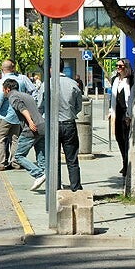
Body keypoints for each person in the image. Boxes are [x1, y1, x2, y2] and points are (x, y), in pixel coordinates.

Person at [4, 78, 46, 190]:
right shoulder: (26, 95)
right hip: (42, 125)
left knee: (18, 156)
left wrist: (30, 121)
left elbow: (22, 108)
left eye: (4, 90)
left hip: (31, 128)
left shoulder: (13, 96)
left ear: (7, 89)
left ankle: (38, 174)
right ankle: (51, 179)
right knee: (41, 156)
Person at [0, 59, 33, 172]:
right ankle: (16, 162)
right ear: (13, 68)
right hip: (18, 115)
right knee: (16, 139)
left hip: (4, 115)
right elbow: (32, 91)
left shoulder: (2, 82)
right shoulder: (22, 80)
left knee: (0, 139)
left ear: (2, 69)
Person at [56, 60, 83, 191]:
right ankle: (76, 187)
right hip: (69, 124)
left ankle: (55, 186)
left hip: (53, 126)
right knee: (72, 158)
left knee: (54, 159)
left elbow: (40, 106)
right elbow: (79, 106)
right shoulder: (73, 84)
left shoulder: (46, 84)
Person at [109, 58, 133, 176]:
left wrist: (130, 115)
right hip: (117, 113)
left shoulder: (130, 81)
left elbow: (132, 99)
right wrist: (110, 111)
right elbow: (112, 97)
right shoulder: (115, 80)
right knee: (119, 138)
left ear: (126, 67)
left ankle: (128, 165)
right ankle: (124, 162)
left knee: (127, 140)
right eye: (117, 66)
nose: (118, 68)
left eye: (121, 66)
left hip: (127, 114)